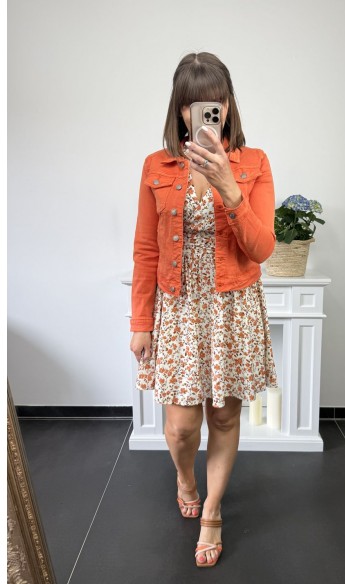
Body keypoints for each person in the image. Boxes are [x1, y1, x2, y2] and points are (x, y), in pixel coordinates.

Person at [129, 51, 279, 568]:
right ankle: (185, 477)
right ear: (180, 111)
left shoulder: (254, 163)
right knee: (180, 427)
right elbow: (145, 249)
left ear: (229, 105)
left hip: (232, 307)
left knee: (225, 414)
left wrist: (230, 189)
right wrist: (141, 322)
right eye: (193, 105)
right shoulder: (156, 166)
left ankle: (212, 510)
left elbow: (262, 249)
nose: (205, 113)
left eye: (215, 103)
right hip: (179, 309)